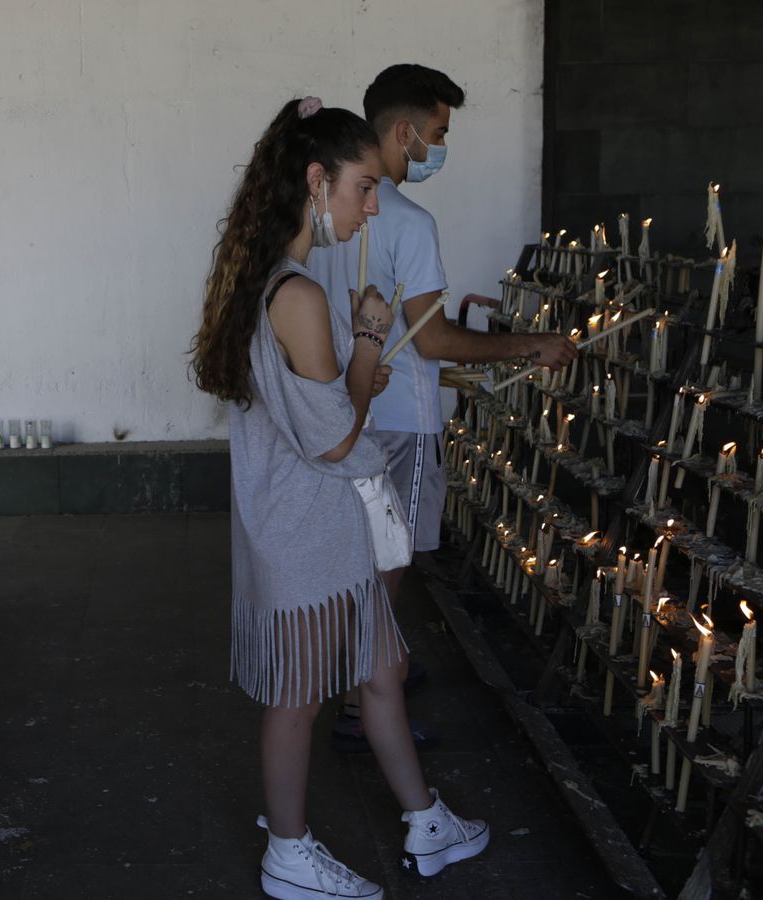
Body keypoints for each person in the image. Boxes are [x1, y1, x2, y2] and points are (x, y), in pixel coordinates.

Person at [191, 96, 487, 899]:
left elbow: (314, 414)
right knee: (298, 697)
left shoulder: (263, 276)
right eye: (361, 186)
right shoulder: (298, 296)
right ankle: (288, 850)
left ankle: (426, 820)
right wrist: (365, 346)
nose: (372, 203)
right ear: (317, 181)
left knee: (382, 668)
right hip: (310, 526)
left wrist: (355, 356)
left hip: (295, 519)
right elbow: (335, 439)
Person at [307, 64, 578, 753]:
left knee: (360, 558)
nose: (436, 147)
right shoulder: (407, 220)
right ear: (404, 131)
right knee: (385, 569)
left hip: (345, 413)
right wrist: (531, 345)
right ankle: (361, 701)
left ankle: (374, 672)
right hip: (400, 422)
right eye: (437, 133)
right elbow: (431, 340)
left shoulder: (320, 216)